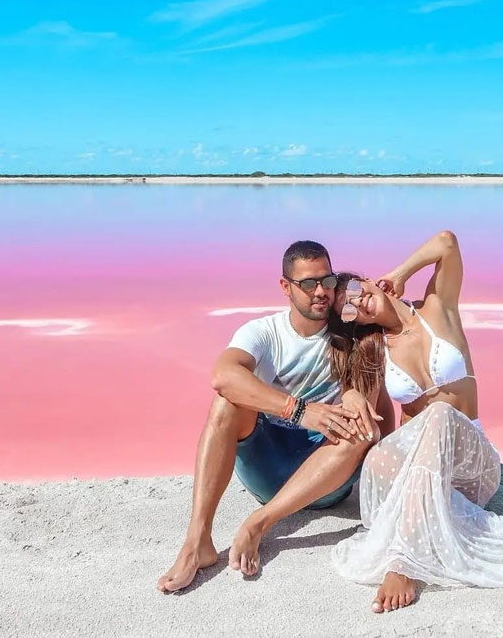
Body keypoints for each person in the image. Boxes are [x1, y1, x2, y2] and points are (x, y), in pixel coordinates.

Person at [327, 231, 503, 613]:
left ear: (367, 280)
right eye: (348, 310)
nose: (356, 301)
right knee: (377, 457)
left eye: (354, 290)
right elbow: (363, 409)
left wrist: (400, 273)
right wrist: (352, 394)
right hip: (426, 469)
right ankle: (431, 525)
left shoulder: (438, 308)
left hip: (471, 466)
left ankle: (405, 562)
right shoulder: (375, 349)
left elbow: (447, 243)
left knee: (439, 413)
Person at [158, 240, 395, 592]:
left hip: (326, 481)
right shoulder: (265, 332)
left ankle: (259, 523)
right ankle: (197, 542)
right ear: (286, 286)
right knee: (225, 402)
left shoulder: (357, 336)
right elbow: (223, 375)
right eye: (308, 283)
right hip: (266, 471)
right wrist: (300, 411)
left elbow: (376, 414)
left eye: (327, 281)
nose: (321, 291)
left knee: (360, 427)